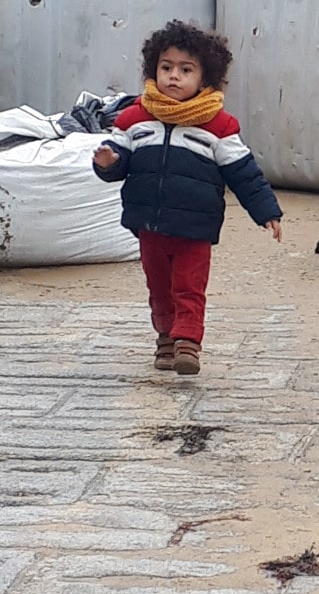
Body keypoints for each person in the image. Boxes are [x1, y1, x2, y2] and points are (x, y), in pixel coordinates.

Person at [92, 20, 283, 376]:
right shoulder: (134, 119)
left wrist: (266, 211)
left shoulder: (219, 127)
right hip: (149, 225)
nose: (173, 77)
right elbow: (116, 162)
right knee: (159, 287)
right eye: (166, 68)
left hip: (195, 228)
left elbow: (244, 174)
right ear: (153, 70)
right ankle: (166, 337)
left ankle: (188, 344)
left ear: (205, 79)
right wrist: (107, 163)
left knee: (189, 288)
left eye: (185, 69)